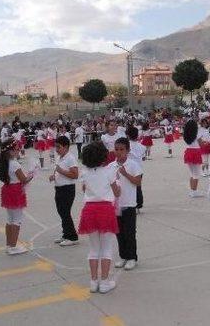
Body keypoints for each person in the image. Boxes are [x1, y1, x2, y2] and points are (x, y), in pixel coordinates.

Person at [77, 141, 120, 294]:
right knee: (106, 247)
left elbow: (84, 189)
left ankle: (93, 281)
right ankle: (105, 282)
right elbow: (117, 193)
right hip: (105, 209)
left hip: (89, 209)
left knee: (94, 248)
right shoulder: (109, 171)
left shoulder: (84, 172)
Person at [111, 137, 142, 271]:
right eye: (116, 149)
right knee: (119, 232)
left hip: (129, 203)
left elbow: (138, 182)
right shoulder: (111, 166)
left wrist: (125, 173)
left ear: (128, 150)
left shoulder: (133, 164)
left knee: (129, 232)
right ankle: (123, 256)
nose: (118, 152)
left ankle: (131, 257)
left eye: (122, 149)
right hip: (116, 204)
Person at [0, 138, 33, 255]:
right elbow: (24, 180)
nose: (19, 151)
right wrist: (31, 175)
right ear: (11, 151)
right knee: (17, 220)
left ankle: (9, 245)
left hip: (8, 189)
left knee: (10, 219)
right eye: (17, 149)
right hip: (15, 191)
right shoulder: (15, 164)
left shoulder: (5, 162)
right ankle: (13, 246)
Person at [50, 136, 79, 246]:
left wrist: (61, 171)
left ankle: (72, 237)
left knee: (65, 212)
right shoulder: (60, 157)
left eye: (59, 147)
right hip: (59, 188)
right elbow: (59, 171)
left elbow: (75, 175)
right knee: (61, 212)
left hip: (67, 189)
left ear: (66, 147)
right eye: (56, 147)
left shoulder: (70, 158)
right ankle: (66, 234)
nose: (56, 149)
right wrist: (54, 176)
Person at [126, 126, 146, 212]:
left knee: (129, 187)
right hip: (139, 169)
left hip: (129, 169)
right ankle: (138, 205)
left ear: (127, 135)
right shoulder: (142, 146)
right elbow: (144, 158)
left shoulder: (126, 146)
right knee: (138, 187)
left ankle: (130, 205)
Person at [183, 119, 204, 198]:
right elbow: (201, 145)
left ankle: (192, 191)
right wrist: (206, 143)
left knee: (192, 173)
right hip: (196, 152)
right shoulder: (197, 133)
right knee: (196, 174)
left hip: (188, 151)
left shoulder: (186, 134)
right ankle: (194, 192)